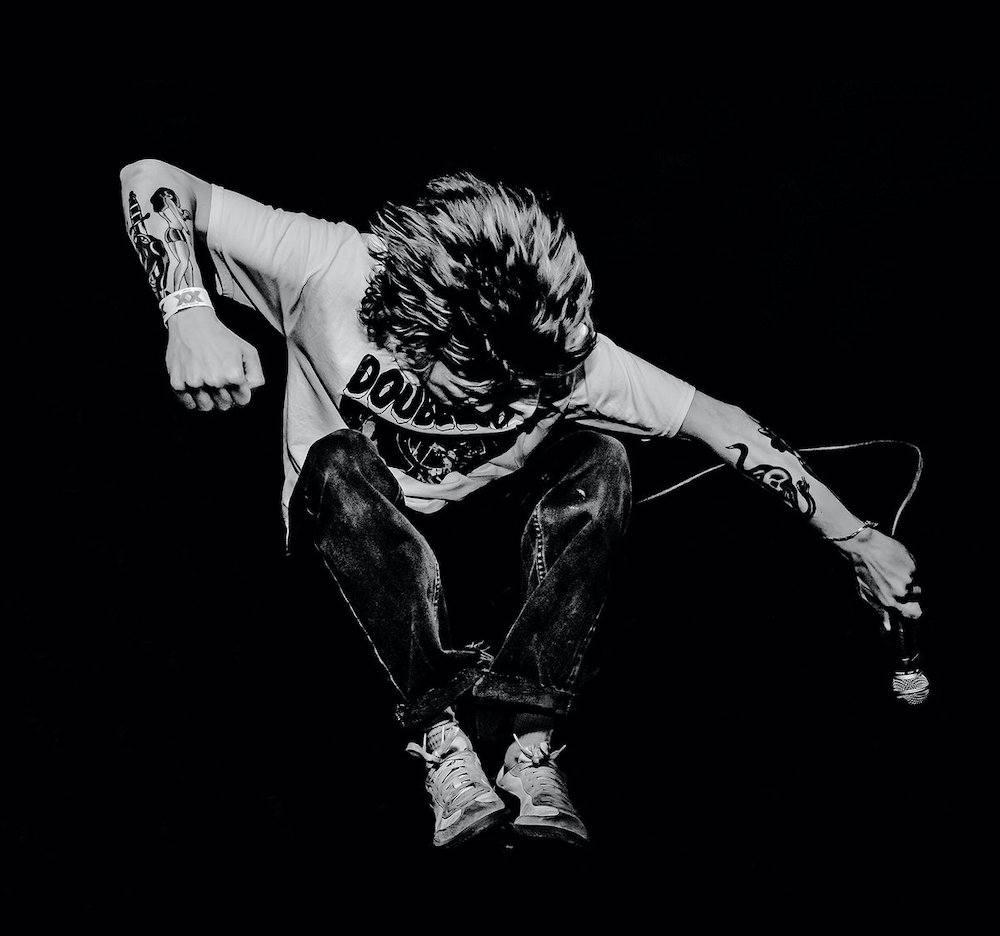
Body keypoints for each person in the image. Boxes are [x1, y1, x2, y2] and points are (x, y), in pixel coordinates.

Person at [119, 161, 922, 848]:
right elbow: (151, 178)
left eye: (523, 388)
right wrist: (188, 310)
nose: (504, 402)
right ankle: (442, 737)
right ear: (417, 324)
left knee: (602, 458)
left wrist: (858, 540)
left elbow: (724, 423)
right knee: (337, 459)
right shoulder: (327, 265)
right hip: (352, 547)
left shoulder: (569, 366)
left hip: (477, 551)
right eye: (480, 383)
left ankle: (528, 746)